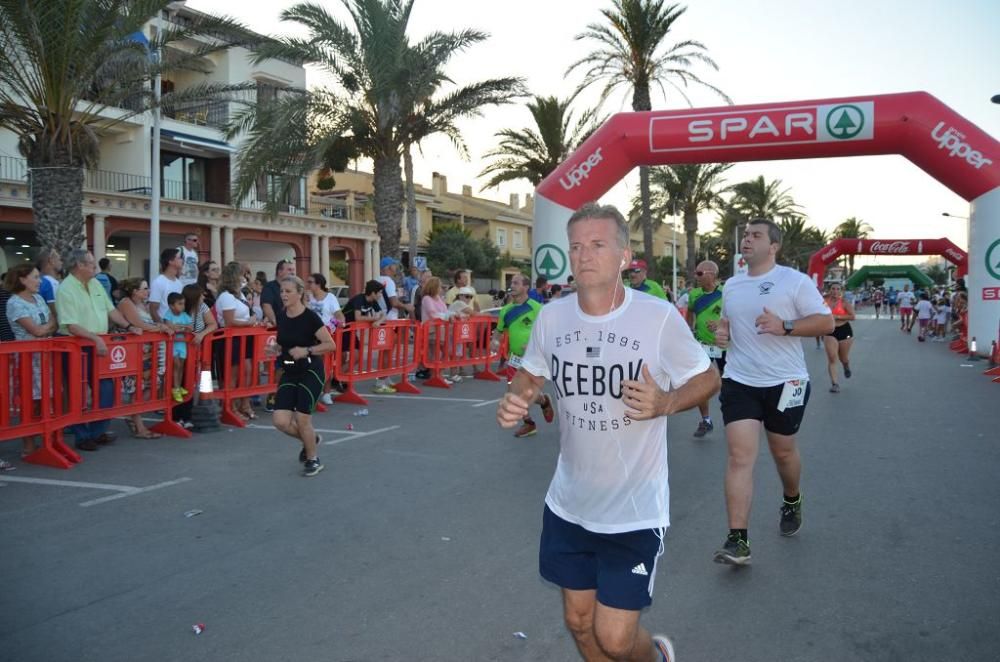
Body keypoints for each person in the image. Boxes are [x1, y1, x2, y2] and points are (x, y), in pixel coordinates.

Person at [496, 202, 718, 662]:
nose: (584, 255)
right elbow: (532, 374)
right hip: (569, 503)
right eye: (576, 246)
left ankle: (655, 656)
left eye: (597, 244)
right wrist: (517, 399)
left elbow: (707, 378)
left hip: (634, 510)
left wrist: (667, 403)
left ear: (623, 255)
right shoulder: (552, 318)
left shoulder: (656, 317)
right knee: (579, 624)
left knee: (616, 640)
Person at [711, 219, 833, 566]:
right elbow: (726, 324)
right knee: (739, 457)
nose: (746, 239)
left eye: (755, 235)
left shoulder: (793, 281)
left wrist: (786, 326)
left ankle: (792, 498)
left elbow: (825, 323)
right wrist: (722, 334)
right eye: (745, 234)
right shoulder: (732, 285)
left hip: (786, 381)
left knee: (783, 452)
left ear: (773, 246)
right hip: (740, 380)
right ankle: (738, 540)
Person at [56, 250, 142, 451]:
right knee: (78, 391)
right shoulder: (66, 288)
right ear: (80, 265)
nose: (95, 267)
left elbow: (110, 310)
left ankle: (96, 431)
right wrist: (94, 339)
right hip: (76, 345)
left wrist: (129, 327)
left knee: (106, 389)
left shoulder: (95, 284)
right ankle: (82, 435)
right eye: (92, 264)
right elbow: (70, 325)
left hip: (99, 344)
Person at [268, 276, 336, 477]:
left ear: (299, 293)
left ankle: (313, 459)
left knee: (302, 418)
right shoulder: (281, 316)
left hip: (311, 371)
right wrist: (274, 349)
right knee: (280, 421)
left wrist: (307, 349)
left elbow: (330, 344)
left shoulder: (310, 317)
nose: (283, 295)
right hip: (290, 369)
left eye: (288, 291)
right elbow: (283, 344)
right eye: (282, 291)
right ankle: (311, 440)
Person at [5, 264, 58, 460]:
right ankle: (28, 444)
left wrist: (46, 327)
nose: (39, 281)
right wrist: (46, 328)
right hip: (26, 358)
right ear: (22, 279)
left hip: (44, 356)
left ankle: (47, 438)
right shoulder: (14, 303)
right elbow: (36, 330)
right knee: (30, 400)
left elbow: (53, 321)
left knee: (47, 397)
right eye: (35, 277)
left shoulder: (38, 298)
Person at [492, 273, 552, 438]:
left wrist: (534, 345)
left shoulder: (536, 308)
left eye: (517, 283)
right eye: (512, 283)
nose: (513, 286)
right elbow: (498, 331)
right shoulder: (506, 310)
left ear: (526, 287)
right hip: (514, 358)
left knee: (526, 393)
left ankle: (543, 402)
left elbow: (548, 331)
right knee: (514, 392)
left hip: (533, 359)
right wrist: (494, 341)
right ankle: (529, 422)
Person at [115, 277, 173, 438]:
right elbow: (138, 324)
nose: (148, 291)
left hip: (148, 352)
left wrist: (159, 326)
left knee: (152, 383)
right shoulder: (126, 303)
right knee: (138, 386)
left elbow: (149, 324)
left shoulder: (144, 306)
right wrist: (159, 328)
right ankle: (138, 423)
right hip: (134, 352)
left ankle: (133, 416)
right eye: (145, 288)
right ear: (135, 291)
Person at [217, 261, 261, 421]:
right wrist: (248, 322)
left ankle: (245, 403)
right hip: (232, 339)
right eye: (243, 274)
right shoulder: (226, 296)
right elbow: (229, 321)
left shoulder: (240, 294)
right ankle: (230, 406)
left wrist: (253, 320)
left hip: (245, 337)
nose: (246, 277)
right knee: (233, 374)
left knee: (247, 371)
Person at [686, 260, 725, 438]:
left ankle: (735, 418)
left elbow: (737, 317)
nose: (696, 276)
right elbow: (689, 313)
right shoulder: (694, 294)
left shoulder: (726, 293)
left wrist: (721, 325)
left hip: (724, 346)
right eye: (696, 273)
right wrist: (688, 333)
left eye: (700, 273)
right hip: (702, 346)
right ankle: (706, 421)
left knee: (729, 386)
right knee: (701, 384)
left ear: (712, 274)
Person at [306, 273, 346, 403]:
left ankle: (326, 393)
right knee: (308, 363)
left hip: (326, 335)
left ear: (318, 284)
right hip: (308, 335)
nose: (308, 284)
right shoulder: (307, 297)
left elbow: (338, 314)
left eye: (310, 282)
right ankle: (309, 391)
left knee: (326, 363)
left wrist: (340, 322)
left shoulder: (330, 298)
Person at [341, 280, 386, 375]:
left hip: (351, 331)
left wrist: (378, 321)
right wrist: (374, 318)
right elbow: (358, 317)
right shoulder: (359, 299)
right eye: (380, 293)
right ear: (373, 293)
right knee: (343, 357)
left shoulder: (373, 301)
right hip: (342, 330)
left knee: (357, 356)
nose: (381, 295)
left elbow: (383, 315)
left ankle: (338, 377)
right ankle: (337, 378)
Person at [823, 283, 856, 393]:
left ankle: (846, 366)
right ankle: (834, 384)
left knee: (843, 358)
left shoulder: (844, 303)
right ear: (830, 290)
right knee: (832, 358)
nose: (835, 291)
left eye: (838, 289)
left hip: (844, 330)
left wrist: (837, 316)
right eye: (833, 289)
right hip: (829, 331)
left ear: (841, 291)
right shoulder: (824, 301)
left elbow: (852, 316)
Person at [161, 292, 194, 403]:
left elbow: (190, 328)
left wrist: (180, 328)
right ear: (171, 306)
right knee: (176, 365)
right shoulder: (168, 315)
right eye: (179, 304)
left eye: (183, 304)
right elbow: (172, 327)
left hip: (182, 345)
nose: (182, 306)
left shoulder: (185, 315)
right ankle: (175, 388)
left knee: (181, 366)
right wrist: (182, 328)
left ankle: (178, 386)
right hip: (173, 345)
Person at [148, 248, 184, 323]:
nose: (182, 260)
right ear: (170, 261)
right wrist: (162, 326)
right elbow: (153, 309)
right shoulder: (158, 282)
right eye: (179, 258)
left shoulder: (179, 283)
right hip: (165, 328)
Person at [36, 248, 62, 322]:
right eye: (59, 259)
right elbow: (56, 311)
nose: (61, 263)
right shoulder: (50, 283)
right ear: (51, 261)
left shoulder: (40, 280)